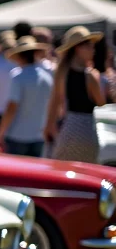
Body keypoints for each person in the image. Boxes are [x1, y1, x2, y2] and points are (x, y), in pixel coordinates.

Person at [46, 26, 107, 163]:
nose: (93, 50)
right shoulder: (91, 75)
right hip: (87, 127)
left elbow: (54, 102)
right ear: (78, 48)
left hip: (68, 126)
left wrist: (49, 126)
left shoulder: (61, 72)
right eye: (90, 46)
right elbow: (101, 102)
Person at [0, 36, 52, 157]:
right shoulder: (47, 78)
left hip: (17, 136)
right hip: (38, 136)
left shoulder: (18, 76)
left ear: (19, 56)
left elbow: (11, 107)